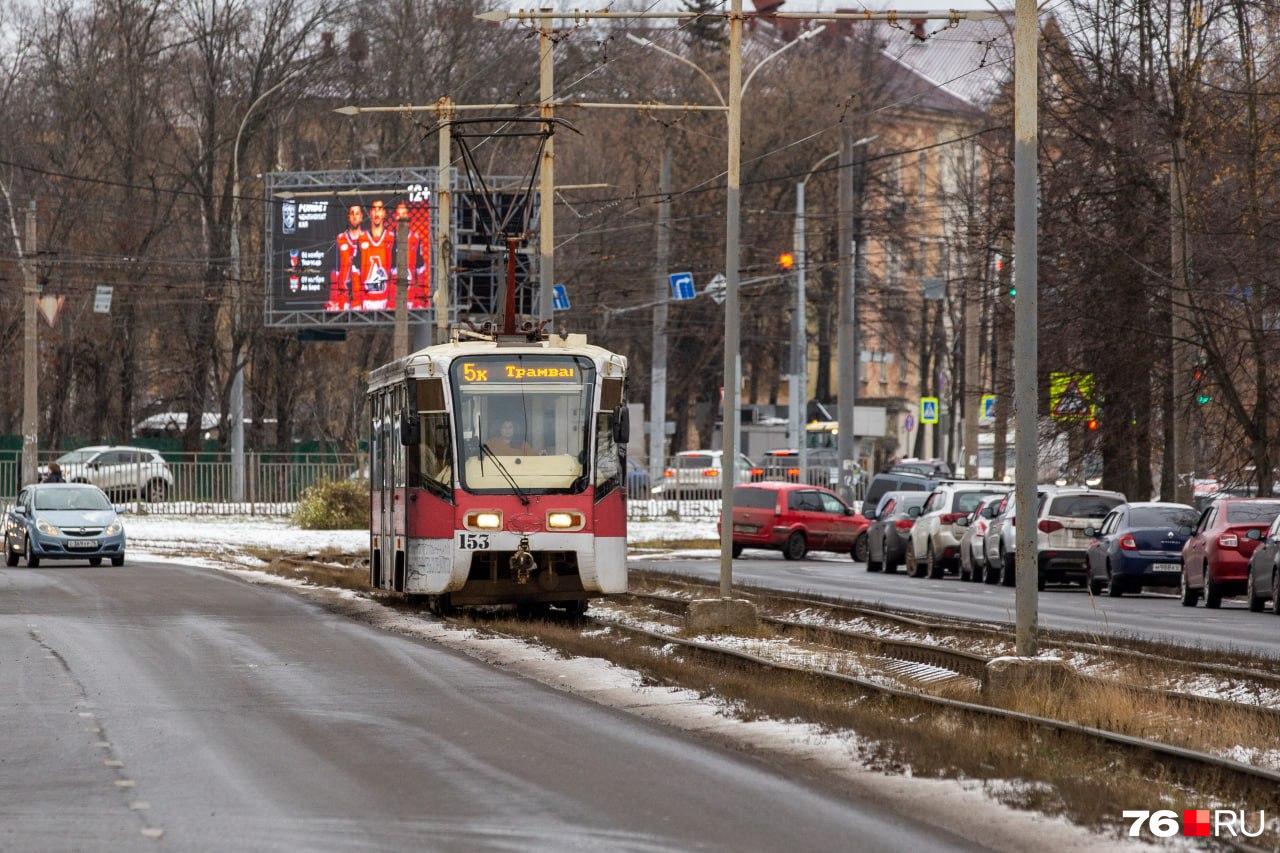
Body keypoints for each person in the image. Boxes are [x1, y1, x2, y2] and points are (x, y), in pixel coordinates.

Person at [328, 204, 366, 310]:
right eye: (352, 214)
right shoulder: (340, 239)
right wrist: (333, 299)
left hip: (363, 295)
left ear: (362, 216)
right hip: (343, 295)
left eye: (357, 214)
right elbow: (334, 270)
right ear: (348, 217)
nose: (354, 217)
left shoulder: (367, 238)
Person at [358, 199, 394, 310]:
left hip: (385, 300)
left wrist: (392, 301)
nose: (377, 213)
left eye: (380, 209)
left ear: (384, 213)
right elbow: (355, 272)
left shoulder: (392, 238)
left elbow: (395, 272)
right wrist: (357, 302)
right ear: (370, 213)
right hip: (366, 301)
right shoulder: (361, 238)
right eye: (374, 209)